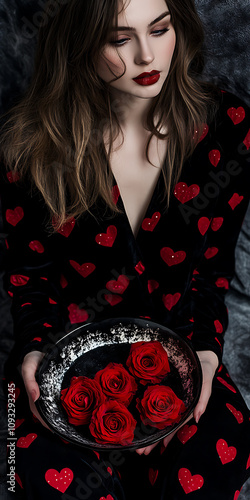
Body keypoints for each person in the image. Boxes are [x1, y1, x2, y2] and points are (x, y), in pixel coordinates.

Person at [0, 0, 249, 498]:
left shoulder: (228, 125)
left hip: (180, 347)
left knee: (225, 449)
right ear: (79, 43)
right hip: (61, 358)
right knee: (21, 466)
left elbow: (212, 271)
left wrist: (204, 353)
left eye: (160, 30)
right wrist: (32, 351)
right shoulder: (27, 146)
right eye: (119, 39)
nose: (146, 56)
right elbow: (30, 278)